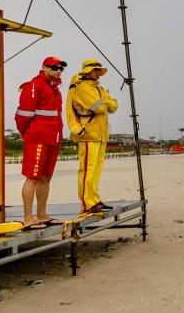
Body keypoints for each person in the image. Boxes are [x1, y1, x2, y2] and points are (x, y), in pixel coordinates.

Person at [15, 57, 67, 230]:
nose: (58, 70)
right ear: (44, 67)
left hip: (53, 139)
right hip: (37, 139)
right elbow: (23, 115)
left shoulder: (54, 89)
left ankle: (42, 215)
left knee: (46, 178)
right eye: (54, 67)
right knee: (32, 177)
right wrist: (28, 134)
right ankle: (28, 217)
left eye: (61, 68)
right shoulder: (34, 85)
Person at [66, 59, 118, 214]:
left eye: (98, 70)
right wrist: (106, 101)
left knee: (96, 170)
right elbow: (100, 108)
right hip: (88, 133)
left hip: (101, 134)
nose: (98, 73)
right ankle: (87, 203)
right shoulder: (82, 87)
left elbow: (113, 107)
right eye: (95, 70)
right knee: (87, 170)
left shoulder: (98, 88)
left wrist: (106, 102)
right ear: (87, 71)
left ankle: (94, 200)